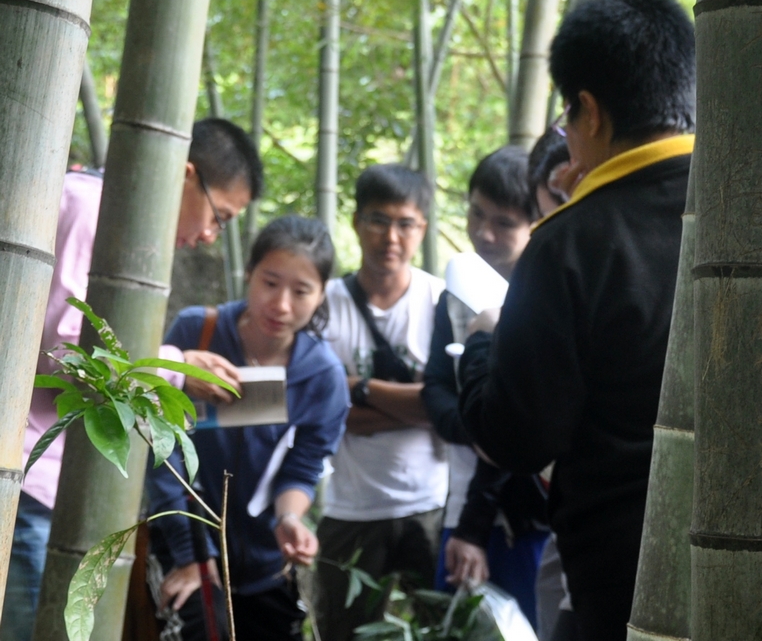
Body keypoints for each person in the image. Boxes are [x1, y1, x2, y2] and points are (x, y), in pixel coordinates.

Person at [457, 0, 697, 641]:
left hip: (625, 575)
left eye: (567, 115)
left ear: (587, 110)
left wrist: (482, 344)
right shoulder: (755, 208)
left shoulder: (570, 242)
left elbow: (517, 436)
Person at [1, 118, 262, 641]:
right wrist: (173, 366)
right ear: (187, 176)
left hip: (52, 480)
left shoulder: (117, 222)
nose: (210, 235)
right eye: (221, 217)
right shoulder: (90, 208)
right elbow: (67, 352)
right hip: (25, 469)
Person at [147, 215, 349, 641]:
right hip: (187, 554)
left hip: (266, 565)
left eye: (301, 291)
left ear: (322, 295)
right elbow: (159, 450)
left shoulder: (323, 376)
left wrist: (290, 518)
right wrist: (191, 556)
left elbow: (303, 466)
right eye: (270, 282)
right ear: (250, 274)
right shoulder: (197, 333)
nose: (281, 305)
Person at [316, 164, 447, 639]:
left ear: (422, 229)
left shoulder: (441, 302)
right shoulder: (324, 303)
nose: (391, 236)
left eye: (405, 223)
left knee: (445, 629)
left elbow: (445, 407)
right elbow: (320, 412)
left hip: (430, 504)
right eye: (378, 220)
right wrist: (415, 408)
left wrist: (357, 388)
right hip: (350, 507)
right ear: (355, 222)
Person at [421, 146, 549, 627]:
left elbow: (517, 424)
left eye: (503, 223)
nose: (483, 233)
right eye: (476, 214)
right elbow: (434, 388)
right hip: (460, 508)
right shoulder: (455, 292)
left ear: (536, 223)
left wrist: (474, 528)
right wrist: (474, 426)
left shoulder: (545, 294)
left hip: (519, 521)